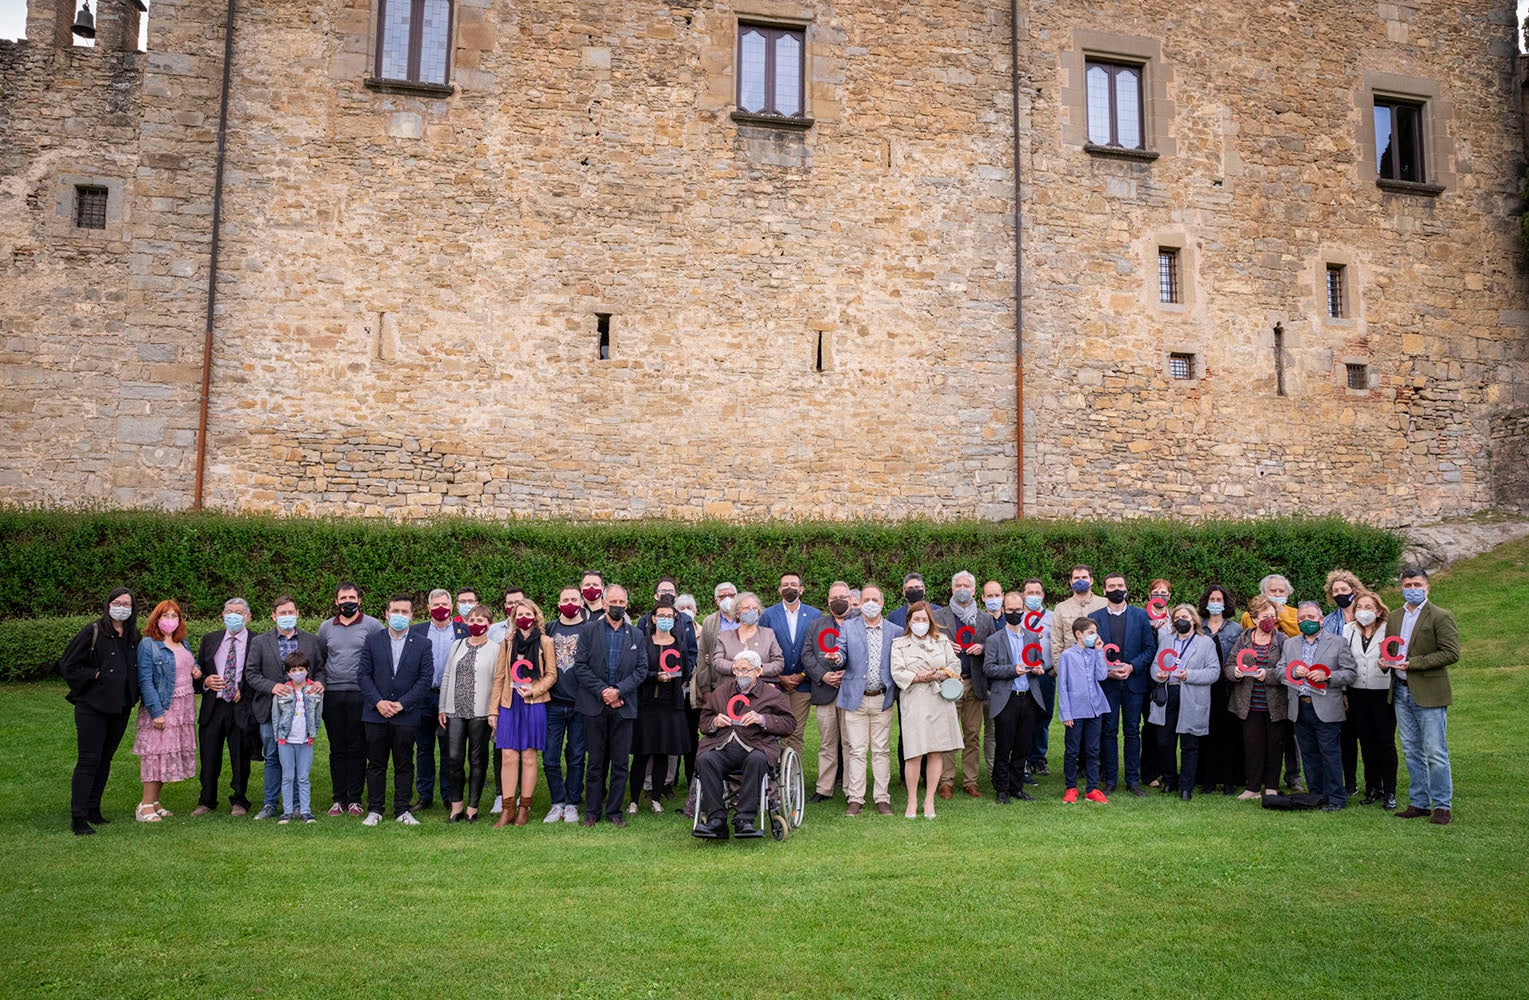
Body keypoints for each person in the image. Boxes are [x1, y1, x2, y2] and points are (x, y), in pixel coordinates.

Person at [692, 651, 797, 839]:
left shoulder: (771, 694)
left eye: (746, 670)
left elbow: (789, 724)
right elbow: (703, 722)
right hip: (723, 745)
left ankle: (744, 819)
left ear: (758, 671)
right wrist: (715, 721)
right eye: (737, 669)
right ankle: (716, 819)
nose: (741, 674)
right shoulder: (722, 692)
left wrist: (762, 719)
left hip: (756, 745)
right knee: (706, 759)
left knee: (757, 759)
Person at [62, 587, 140, 835]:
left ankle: (94, 808)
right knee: (88, 759)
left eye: (127, 604)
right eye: (117, 603)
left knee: (105, 759)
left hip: (120, 706)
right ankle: (79, 816)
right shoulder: (93, 631)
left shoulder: (132, 637)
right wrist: (95, 674)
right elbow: (68, 664)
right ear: (108, 605)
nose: (122, 608)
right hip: (92, 706)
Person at [1386, 567, 1459, 825]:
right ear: (1401, 588)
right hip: (1401, 693)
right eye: (1408, 585)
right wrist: (1386, 663)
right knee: (1410, 750)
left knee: (1435, 751)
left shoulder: (1440, 616)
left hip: (1429, 693)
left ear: (1427, 588)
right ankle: (1419, 802)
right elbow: (1391, 651)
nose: (1412, 589)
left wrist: (1413, 663)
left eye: (1417, 584)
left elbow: (1451, 653)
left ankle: (1442, 805)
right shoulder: (1394, 617)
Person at [244, 595, 325, 821]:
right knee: (272, 756)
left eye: (291, 612)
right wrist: (273, 687)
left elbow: (320, 669)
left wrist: (320, 684)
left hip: (303, 712)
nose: (287, 617)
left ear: (297, 614)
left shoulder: (310, 640)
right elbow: (251, 674)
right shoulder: (260, 642)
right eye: (282, 613)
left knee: (299, 758)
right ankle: (270, 803)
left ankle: (298, 805)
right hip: (272, 710)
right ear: (273, 616)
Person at [357, 595, 434, 826]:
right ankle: (375, 809)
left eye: (404, 611)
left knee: (404, 763)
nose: (399, 615)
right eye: (395, 611)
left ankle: (402, 809)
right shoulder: (372, 640)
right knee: (376, 763)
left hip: (406, 714)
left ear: (411, 615)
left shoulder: (422, 643)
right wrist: (378, 702)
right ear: (387, 614)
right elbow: (363, 674)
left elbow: (425, 678)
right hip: (375, 713)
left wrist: (402, 703)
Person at [574, 585, 647, 827]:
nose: (618, 606)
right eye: (613, 601)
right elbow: (580, 666)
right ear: (604, 604)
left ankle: (615, 811)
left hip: (624, 706)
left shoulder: (636, 635)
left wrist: (618, 691)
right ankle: (592, 811)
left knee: (620, 762)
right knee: (595, 761)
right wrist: (604, 691)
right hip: (594, 705)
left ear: (627, 604)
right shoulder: (588, 631)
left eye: (622, 602)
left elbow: (641, 670)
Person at [1279, 601, 1359, 811]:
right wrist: (1292, 673)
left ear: (1321, 620)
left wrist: (1329, 675)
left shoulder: (1338, 642)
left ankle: (1336, 797)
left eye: (1311, 618)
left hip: (1326, 706)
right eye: (1302, 619)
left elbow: (1350, 673)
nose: (1307, 622)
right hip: (1299, 706)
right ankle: (1315, 794)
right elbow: (1279, 670)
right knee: (1309, 753)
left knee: (1329, 753)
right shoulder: (1290, 644)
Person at [317, 581, 384, 817]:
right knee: (338, 748)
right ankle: (339, 799)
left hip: (361, 695)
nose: (348, 602)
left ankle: (355, 799)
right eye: (343, 598)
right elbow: (320, 661)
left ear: (359, 600)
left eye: (352, 598)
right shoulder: (326, 627)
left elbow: (379, 658)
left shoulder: (373, 625)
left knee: (358, 747)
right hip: (333, 695)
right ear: (336, 601)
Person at [890, 601, 962, 818]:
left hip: (939, 700)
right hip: (914, 701)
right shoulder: (899, 644)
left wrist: (939, 674)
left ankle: (929, 800)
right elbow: (897, 671)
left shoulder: (942, 641)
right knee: (914, 752)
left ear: (930, 621)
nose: (920, 623)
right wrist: (920, 676)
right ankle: (912, 801)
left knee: (935, 751)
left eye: (924, 619)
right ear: (909, 622)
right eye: (916, 619)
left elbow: (955, 665)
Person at [490, 599, 558, 827]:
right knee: (508, 756)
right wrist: (494, 711)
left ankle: (524, 809)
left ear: (536, 616)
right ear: (513, 617)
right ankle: (507, 809)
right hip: (509, 705)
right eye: (519, 614)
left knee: (529, 756)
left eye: (528, 613)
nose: (524, 617)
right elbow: (499, 677)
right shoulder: (506, 644)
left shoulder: (546, 642)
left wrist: (533, 689)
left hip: (533, 703)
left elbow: (551, 675)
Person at [836, 583, 902, 816]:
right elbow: (841, 653)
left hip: (882, 698)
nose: (871, 604)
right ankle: (856, 798)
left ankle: (882, 798)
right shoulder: (849, 627)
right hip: (856, 697)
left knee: (882, 750)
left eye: (875, 599)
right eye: (866, 600)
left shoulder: (895, 630)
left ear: (882, 603)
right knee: (856, 750)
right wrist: (836, 658)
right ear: (860, 602)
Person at [1087, 574, 1155, 797]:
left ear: (1127, 588)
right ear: (1104, 590)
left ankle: (1133, 781)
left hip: (1134, 682)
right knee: (1108, 731)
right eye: (1111, 586)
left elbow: (1149, 649)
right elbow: (1091, 652)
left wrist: (1132, 667)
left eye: (1120, 585)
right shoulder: (1094, 618)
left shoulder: (1141, 616)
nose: (1116, 589)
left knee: (1132, 732)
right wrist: (1108, 671)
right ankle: (1110, 779)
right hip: (1108, 684)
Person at [190, 598, 257, 818]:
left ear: (248, 616)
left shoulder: (257, 641)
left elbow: (259, 673)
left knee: (240, 756)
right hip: (213, 706)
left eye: (239, 612)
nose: (233, 616)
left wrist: (244, 690)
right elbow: (198, 673)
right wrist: (205, 682)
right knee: (209, 755)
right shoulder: (210, 640)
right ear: (222, 614)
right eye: (229, 611)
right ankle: (206, 800)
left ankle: (239, 799)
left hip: (240, 706)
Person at [132, 600, 198, 822]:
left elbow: (187, 664)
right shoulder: (148, 645)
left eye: (174, 616)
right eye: (165, 616)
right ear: (156, 619)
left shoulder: (182, 642)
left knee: (166, 755)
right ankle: (145, 805)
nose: (170, 620)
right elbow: (145, 681)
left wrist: (196, 669)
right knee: (154, 755)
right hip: (163, 706)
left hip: (183, 708)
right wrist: (156, 711)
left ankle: (156, 800)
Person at [1149, 604, 1223, 801]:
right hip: (1168, 693)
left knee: (1189, 743)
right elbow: (1156, 663)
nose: (1181, 620)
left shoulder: (1205, 643)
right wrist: (1158, 674)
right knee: (1165, 741)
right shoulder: (1166, 640)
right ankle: (1170, 780)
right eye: (1177, 617)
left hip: (1191, 694)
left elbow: (1214, 672)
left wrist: (1189, 675)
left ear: (1194, 620)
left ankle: (1186, 786)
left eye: (1185, 616)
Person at [983, 590, 1049, 804]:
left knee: (1023, 746)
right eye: (1010, 610)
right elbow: (989, 669)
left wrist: (1038, 667)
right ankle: (1001, 789)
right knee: (1004, 746)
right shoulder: (994, 639)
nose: (1014, 613)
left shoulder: (1032, 636)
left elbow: (1039, 661)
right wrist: (1014, 669)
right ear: (1003, 610)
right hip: (1006, 698)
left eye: (1018, 610)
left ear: (1024, 610)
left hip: (1028, 697)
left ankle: (1017, 787)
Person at [634, 577, 698, 796]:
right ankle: (647, 784)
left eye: (671, 591)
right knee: (648, 742)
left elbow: (691, 651)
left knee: (669, 741)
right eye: (662, 591)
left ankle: (667, 783)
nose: (667, 594)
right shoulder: (643, 623)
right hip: (649, 693)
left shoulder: (686, 622)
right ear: (655, 596)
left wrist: (683, 676)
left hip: (673, 691)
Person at [932, 571, 993, 798]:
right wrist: (943, 645)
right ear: (952, 589)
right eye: (958, 585)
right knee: (947, 733)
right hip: (950, 683)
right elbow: (928, 646)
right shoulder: (938, 617)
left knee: (972, 734)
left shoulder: (985, 618)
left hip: (974, 682)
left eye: (966, 585)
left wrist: (983, 648)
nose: (962, 588)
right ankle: (945, 781)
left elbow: (995, 646)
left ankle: (970, 781)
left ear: (974, 590)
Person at [1223, 595, 1290, 800]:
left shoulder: (1282, 640)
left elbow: (1286, 669)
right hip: (1248, 703)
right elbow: (1229, 665)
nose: (1269, 619)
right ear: (1253, 618)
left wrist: (1267, 675)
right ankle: (1252, 787)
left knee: (1275, 745)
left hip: (1275, 704)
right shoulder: (1243, 638)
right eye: (1264, 616)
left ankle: (1271, 786)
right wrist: (1234, 673)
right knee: (1252, 745)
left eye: (1272, 615)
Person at [439, 604, 501, 823]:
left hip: (481, 712)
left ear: (489, 624)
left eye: (481, 621)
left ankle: (472, 808)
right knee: (454, 758)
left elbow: (497, 681)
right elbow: (447, 675)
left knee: (477, 759)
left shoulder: (496, 649)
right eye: (472, 620)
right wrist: (442, 707)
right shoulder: (457, 645)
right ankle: (456, 807)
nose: (476, 624)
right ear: (466, 622)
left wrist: (494, 711)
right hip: (454, 709)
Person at [410, 589, 466, 812]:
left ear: (451, 606)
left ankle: (448, 794)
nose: (440, 608)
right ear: (429, 608)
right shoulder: (417, 631)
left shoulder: (464, 631)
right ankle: (424, 796)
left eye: (444, 604)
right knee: (423, 747)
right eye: (436, 605)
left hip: (451, 695)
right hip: (423, 695)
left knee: (448, 749)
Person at [1343, 592, 1398, 810]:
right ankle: (1372, 787)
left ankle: (1390, 790)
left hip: (1382, 691)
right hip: (1357, 692)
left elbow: (1396, 655)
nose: (1364, 610)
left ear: (1378, 610)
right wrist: (1345, 692)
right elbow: (1345, 660)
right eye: (1360, 606)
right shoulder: (1349, 630)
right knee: (1366, 741)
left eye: (1369, 606)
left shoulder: (1389, 629)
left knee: (1384, 741)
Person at [802, 581, 852, 803]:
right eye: (834, 597)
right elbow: (807, 655)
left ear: (850, 599)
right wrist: (824, 676)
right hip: (825, 691)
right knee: (827, 743)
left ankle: (852, 789)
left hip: (851, 691)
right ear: (828, 600)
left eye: (842, 596)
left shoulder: (859, 623)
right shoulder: (816, 625)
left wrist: (846, 674)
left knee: (851, 743)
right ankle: (824, 788)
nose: (838, 600)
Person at [760, 572, 820, 757]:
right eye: (785, 584)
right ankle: (777, 774)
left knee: (796, 732)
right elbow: (763, 648)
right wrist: (779, 676)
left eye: (793, 584)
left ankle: (793, 779)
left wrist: (802, 675)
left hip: (803, 683)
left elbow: (816, 649)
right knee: (777, 731)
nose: (789, 588)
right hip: (776, 683)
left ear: (801, 589)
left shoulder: (814, 614)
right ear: (779, 589)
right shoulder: (768, 615)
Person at [542, 587, 588, 824]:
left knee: (577, 755)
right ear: (558, 603)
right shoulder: (549, 628)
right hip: (553, 704)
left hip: (581, 704)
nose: (569, 603)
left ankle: (571, 803)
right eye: (565, 599)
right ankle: (556, 801)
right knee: (550, 756)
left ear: (581, 602)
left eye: (574, 599)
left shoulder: (589, 629)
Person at [1056, 617, 1111, 803]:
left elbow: (1102, 676)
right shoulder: (1067, 656)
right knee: (1072, 751)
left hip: (1095, 708)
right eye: (1090, 633)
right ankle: (1071, 787)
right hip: (1075, 711)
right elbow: (1062, 686)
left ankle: (1092, 789)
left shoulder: (1094, 653)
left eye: (1095, 632)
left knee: (1093, 750)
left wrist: (1099, 652)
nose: (1094, 636)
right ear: (1078, 634)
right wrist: (1066, 713)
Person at [1197, 584, 1244, 795]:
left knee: (1229, 735)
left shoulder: (1235, 629)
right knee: (1207, 734)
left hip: (1229, 688)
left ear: (1226, 603)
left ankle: (1229, 780)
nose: (1215, 604)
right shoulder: (1199, 627)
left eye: (1219, 600)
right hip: (1205, 688)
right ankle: (1207, 779)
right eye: (1212, 599)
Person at [272, 651, 323, 824]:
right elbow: (275, 716)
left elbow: (317, 715)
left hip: (305, 740)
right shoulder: (282, 691)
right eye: (293, 670)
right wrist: (279, 736)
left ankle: (305, 811)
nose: (297, 673)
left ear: (307, 670)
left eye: (301, 669)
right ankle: (287, 811)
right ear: (288, 672)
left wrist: (313, 734)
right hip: (286, 740)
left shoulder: (314, 691)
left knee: (303, 777)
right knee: (287, 776)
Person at [1139, 578, 1173, 787]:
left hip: (1170, 678)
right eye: (1156, 592)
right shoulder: (1141, 617)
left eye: (1164, 592)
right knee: (1150, 726)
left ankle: (1166, 768)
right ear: (1149, 595)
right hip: (1145, 678)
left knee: (1166, 726)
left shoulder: (1175, 617)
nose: (1160, 596)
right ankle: (1149, 772)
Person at [711, 592, 785, 685]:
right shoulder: (724, 636)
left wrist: (758, 669)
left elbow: (779, 663)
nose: (751, 611)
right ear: (737, 613)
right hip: (731, 688)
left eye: (754, 608)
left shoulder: (768, 634)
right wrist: (737, 668)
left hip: (762, 689)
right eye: (746, 608)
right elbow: (717, 661)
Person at [694, 581, 740, 713]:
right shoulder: (709, 622)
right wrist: (705, 689)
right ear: (716, 601)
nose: (727, 599)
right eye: (722, 596)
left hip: (745, 681)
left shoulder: (747, 618)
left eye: (731, 595)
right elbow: (703, 655)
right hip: (718, 683)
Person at [1322, 570, 1363, 636]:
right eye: (1335, 591)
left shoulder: (1366, 614)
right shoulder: (1328, 621)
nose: (1340, 593)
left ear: (1354, 591)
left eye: (1344, 589)